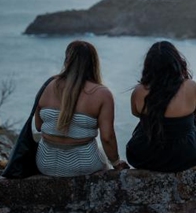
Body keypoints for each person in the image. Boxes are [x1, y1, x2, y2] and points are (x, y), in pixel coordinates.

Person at [35, 40, 129, 176]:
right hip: (84, 164)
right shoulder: (102, 93)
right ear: (94, 63)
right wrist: (115, 162)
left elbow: (38, 126)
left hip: (45, 163)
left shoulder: (48, 85)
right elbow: (107, 137)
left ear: (67, 60)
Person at [126, 41, 196, 172]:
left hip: (146, 154)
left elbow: (136, 113)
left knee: (148, 120)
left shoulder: (139, 91)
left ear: (149, 66)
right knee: (192, 120)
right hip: (185, 155)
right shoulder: (192, 86)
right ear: (177, 63)